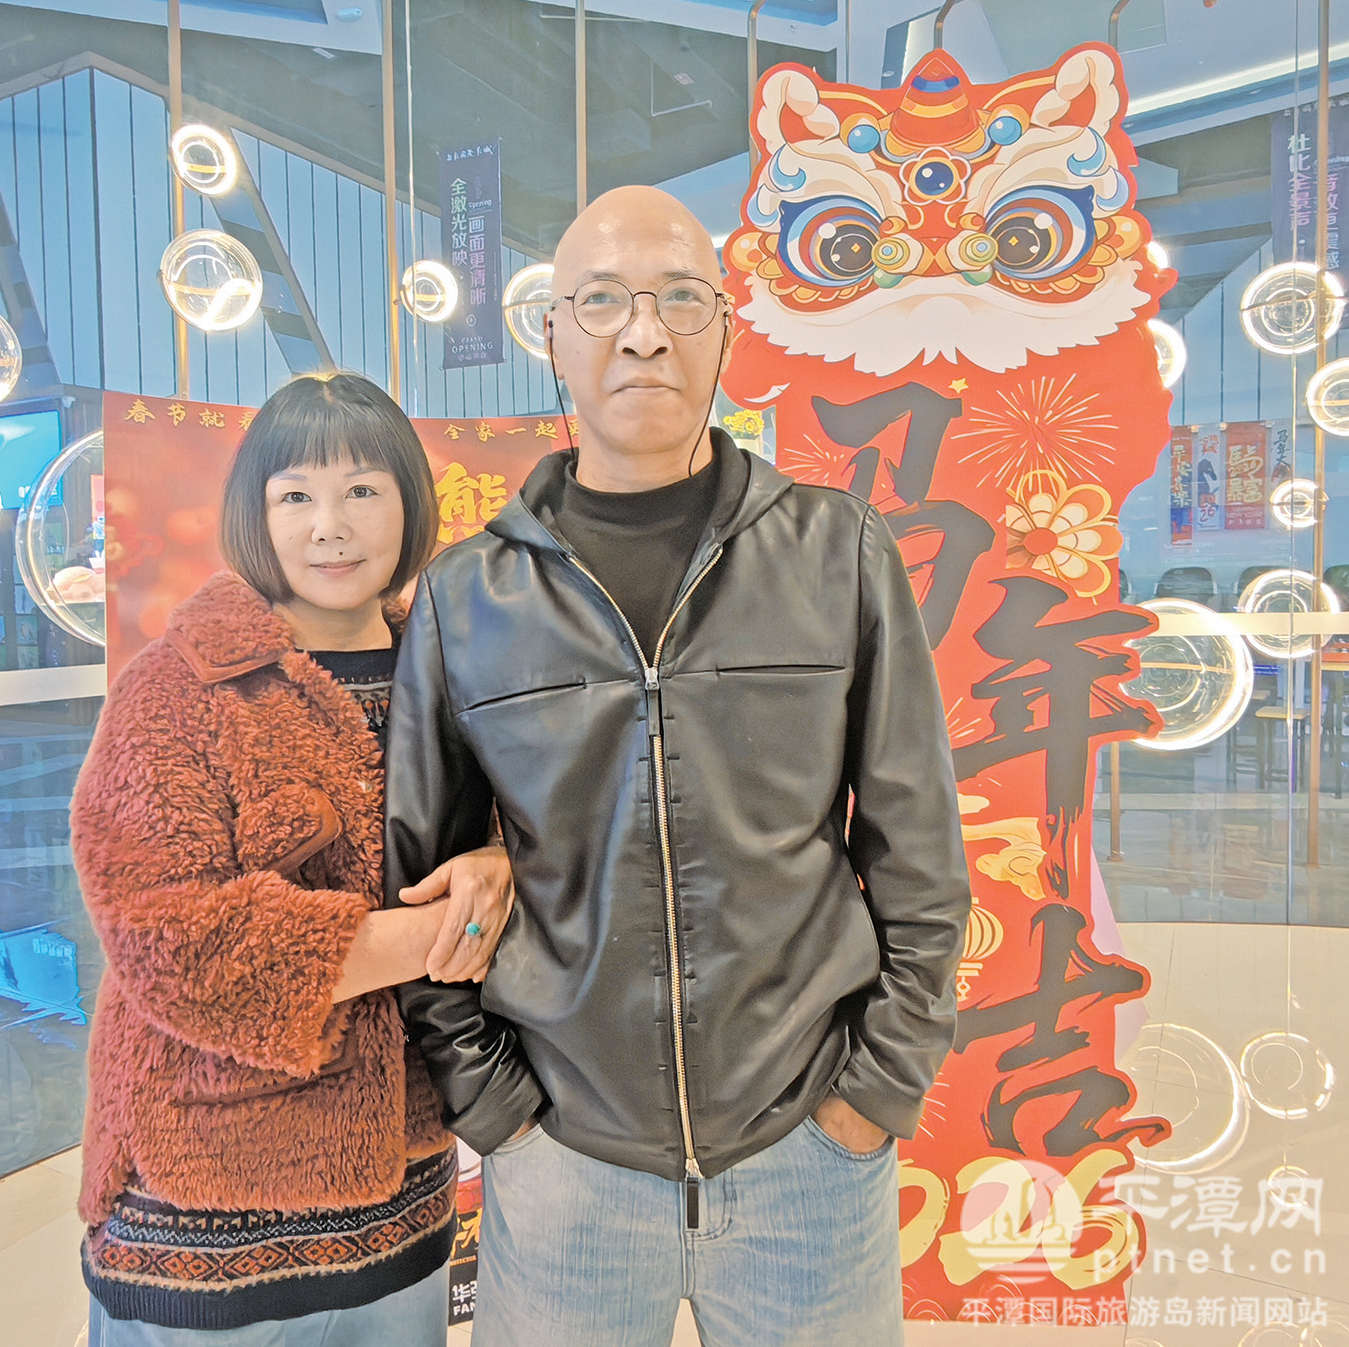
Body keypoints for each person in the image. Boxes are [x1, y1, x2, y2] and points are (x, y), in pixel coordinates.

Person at [385, 186, 971, 1347]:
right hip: (567, 1169)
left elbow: (918, 851)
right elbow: (419, 879)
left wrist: (874, 1093)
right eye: (603, 301)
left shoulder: (837, 552)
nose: (643, 334)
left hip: (809, 1158)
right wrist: (498, 1112)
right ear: (551, 334)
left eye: (680, 300)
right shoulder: (469, 595)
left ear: (726, 332)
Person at [72, 372, 513, 1343]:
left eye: (362, 490)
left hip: (403, 1203)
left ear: (410, 502)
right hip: (200, 1207)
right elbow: (168, 936)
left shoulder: (458, 673)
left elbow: (529, 830)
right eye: (296, 495)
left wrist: (500, 868)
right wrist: (444, 931)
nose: (330, 526)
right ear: (255, 513)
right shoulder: (179, 687)